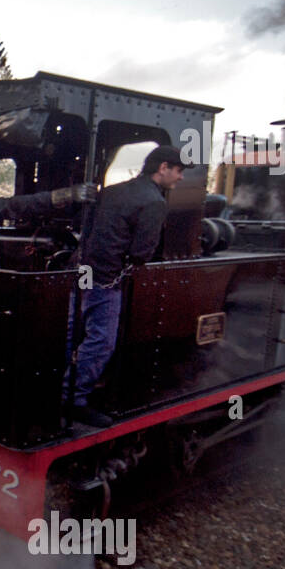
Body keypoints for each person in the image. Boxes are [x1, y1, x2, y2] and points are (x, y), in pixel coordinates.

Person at [66, 143, 189, 427]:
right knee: (101, 342)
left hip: (78, 270)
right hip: (106, 278)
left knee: (71, 332)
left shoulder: (110, 191)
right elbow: (142, 253)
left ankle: (57, 388)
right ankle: (74, 400)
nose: (180, 177)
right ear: (163, 168)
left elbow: (83, 226)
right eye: (179, 171)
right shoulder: (155, 201)